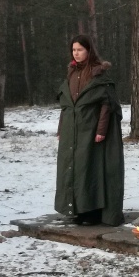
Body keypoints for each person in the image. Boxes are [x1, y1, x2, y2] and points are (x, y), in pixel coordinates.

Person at [55, 35, 125, 226]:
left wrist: (101, 130)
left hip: (91, 129)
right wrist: (62, 129)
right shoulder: (71, 72)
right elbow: (66, 105)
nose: (76, 53)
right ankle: (77, 209)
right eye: (74, 50)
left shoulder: (97, 73)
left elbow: (107, 104)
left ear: (88, 50)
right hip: (73, 129)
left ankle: (93, 212)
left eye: (80, 50)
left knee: (90, 169)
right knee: (74, 170)